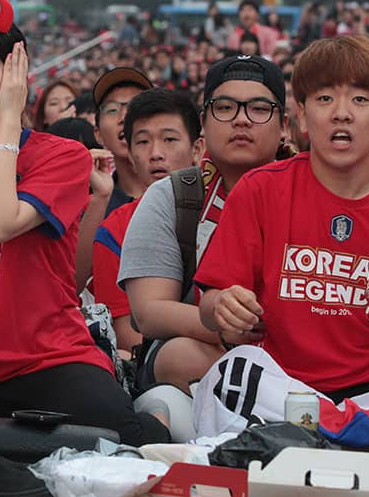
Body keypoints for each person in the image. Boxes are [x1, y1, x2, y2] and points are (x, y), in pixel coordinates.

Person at [0, 0, 169, 445]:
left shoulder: (61, 156)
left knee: (125, 442)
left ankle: (158, 414)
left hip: (49, 358)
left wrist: (9, 118)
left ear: (14, 77)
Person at [194, 35, 369, 469]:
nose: (341, 112)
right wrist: (223, 306)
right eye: (323, 98)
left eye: (360, 98)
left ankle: (308, 443)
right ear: (300, 115)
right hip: (283, 387)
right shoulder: (261, 189)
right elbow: (210, 305)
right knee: (233, 371)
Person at [119, 55, 286, 398]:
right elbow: (149, 312)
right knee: (181, 356)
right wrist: (230, 331)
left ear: (284, 125)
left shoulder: (311, 190)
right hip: (204, 347)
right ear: (204, 124)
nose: (241, 120)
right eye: (224, 107)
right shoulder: (175, 195)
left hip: (301, 349)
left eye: (258, 108)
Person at [92, 89, 202, 358]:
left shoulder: (234, 207)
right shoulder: (113, 231)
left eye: (170, 139)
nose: (156, 153)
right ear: (129, 154)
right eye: (142, 142)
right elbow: (131, 338)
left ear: (197, 148)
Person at [91, 66, 154, 215]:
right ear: (98, 134)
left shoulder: (186, 191)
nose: (125, 117)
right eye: (112, 110)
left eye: (136, 105)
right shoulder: (94, 208)